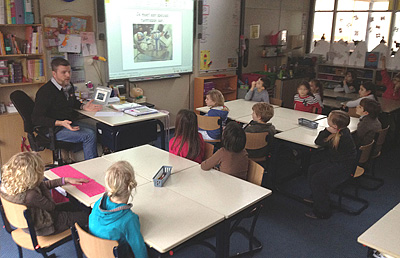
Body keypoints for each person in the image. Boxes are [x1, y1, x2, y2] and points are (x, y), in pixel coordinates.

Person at [0, 152, 89, 235]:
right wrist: (41, 183)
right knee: (89, 217)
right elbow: (51, 206)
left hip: (31, 222)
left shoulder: (11, 185)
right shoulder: (31, 196)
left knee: (74, 205)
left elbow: (42, 186)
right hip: (45, 226)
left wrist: (64, 180)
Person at [32, 57, 102, 160]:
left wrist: (83, 106)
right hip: (52, 129)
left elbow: (72, 102)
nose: (68, 75)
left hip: (66, 123)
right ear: (54, 74)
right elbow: (36, 119)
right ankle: (91, 168)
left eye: (69, 72)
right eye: (64, 72)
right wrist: (60, 123)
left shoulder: (68, 86)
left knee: (96, 130)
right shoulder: (45, 92)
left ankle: (71, 153)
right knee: (89, 135)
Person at [89, 161, 148, 258]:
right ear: (131, 186)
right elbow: (139, 250)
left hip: (94, 252)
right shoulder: (129, 219)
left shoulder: (98, 203)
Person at [306, 111, 357, 219]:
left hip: (343, 166)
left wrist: (326, 130)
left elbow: (319, 141)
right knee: (312, 169)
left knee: (317, 179)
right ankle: (317, 195)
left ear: (334, 126)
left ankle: (322, 211)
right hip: (336, 161)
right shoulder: (343, 131)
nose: (327, 118)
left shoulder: (339, 137)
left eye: (329, 117)